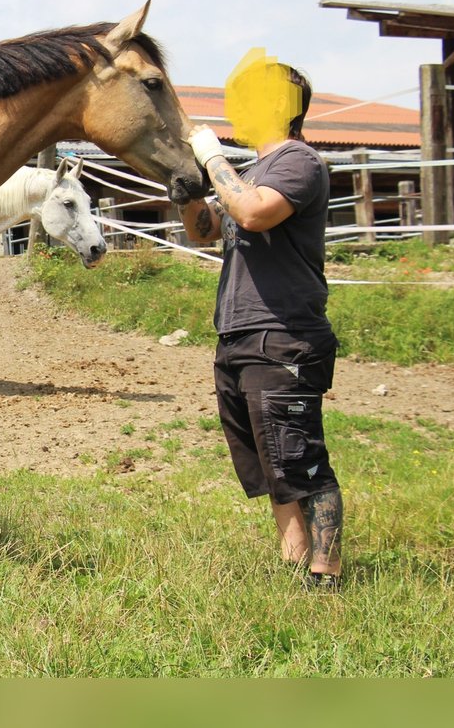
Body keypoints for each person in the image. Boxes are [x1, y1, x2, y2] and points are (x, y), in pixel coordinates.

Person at [179, 64, 344, 588]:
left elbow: (252, 214)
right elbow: (206, 230)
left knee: (300, 457)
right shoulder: (251, 173)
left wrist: (212, 156)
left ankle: (326, 575)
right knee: (270, 462)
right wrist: (186, 186)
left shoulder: (299, 162)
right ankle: (294, 561)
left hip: (284, 335)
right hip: (241, 334)